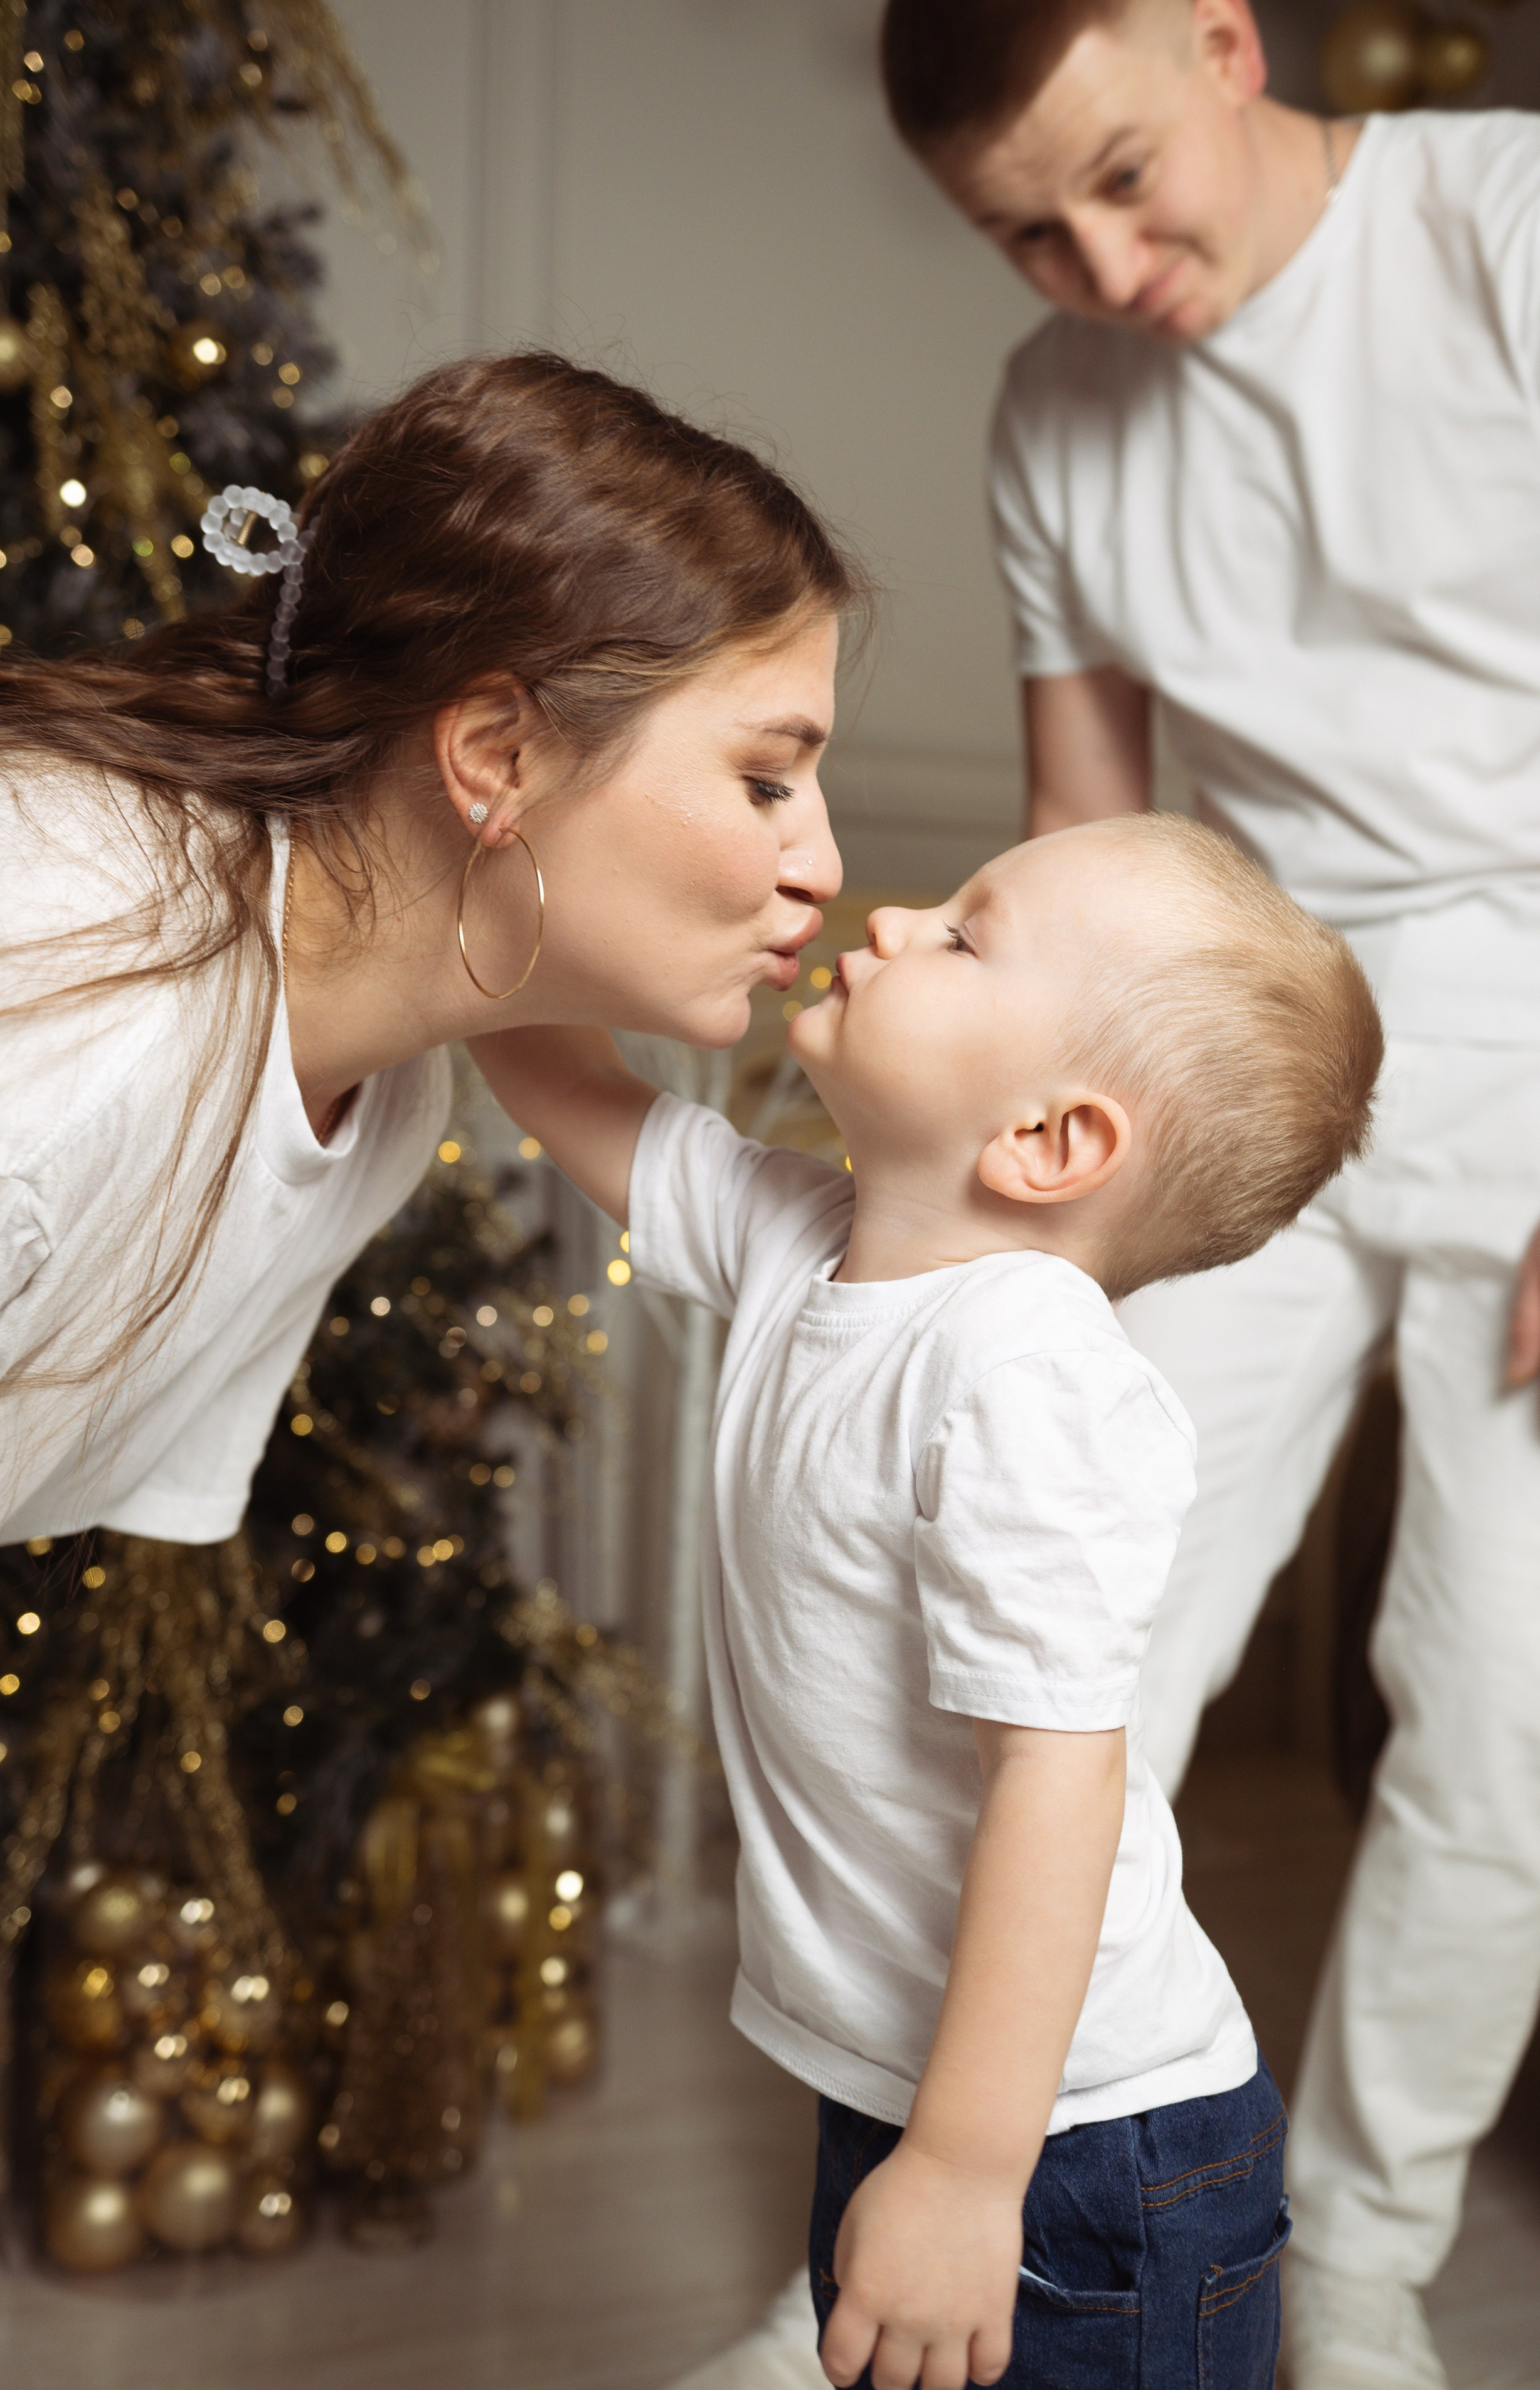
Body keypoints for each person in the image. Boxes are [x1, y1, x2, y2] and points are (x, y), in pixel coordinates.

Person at [874, 0, 1540, 2385]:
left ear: (1229, 41)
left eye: (1125, 178)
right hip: (1241, 1066)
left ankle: (1357, 2257)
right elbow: (1089, 833)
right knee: (1072, 1663)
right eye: (1023, 235)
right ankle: (933, 2220)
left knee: (1503, 1711)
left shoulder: (1507, 230)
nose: (1103, 268)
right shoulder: (1057, 408)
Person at [476, 813, 1382, 2390]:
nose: (888, 920)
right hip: (916, 2084)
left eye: (962, 934)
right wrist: (489, 868)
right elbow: (561, 1076)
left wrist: (968, 2169)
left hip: (1078, 2149)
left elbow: (1055, 1777)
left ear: (1046, 1142)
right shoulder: (802, 1240)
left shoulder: (1024, 1373)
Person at [0, 350, 864, 1580]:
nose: (825, 866)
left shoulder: (375, 1088)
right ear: (496, 754)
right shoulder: (56, 1039)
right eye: (761, 781)